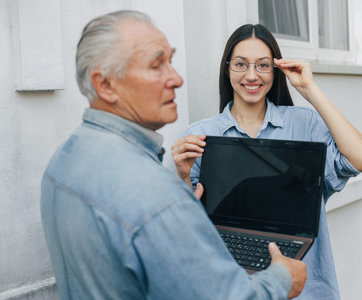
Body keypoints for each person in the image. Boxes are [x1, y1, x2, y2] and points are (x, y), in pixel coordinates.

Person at [40, 11, 308, 300]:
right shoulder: (155, 195)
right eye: (156, 65)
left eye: (171, 60)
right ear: (105, 84)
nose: (177, 79)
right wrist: (281, 279)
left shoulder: (64, 160)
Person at [172, 24, 362, 299]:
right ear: (227, 68)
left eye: (263, 65)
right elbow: (187, 226)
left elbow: (361, 159)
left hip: (305, 287)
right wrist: (182, 175)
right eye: (241, 64)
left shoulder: (304, 123)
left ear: (275, 70)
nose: (252, 75)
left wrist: (309, 88)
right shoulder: (201, 134)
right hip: (234, 284)